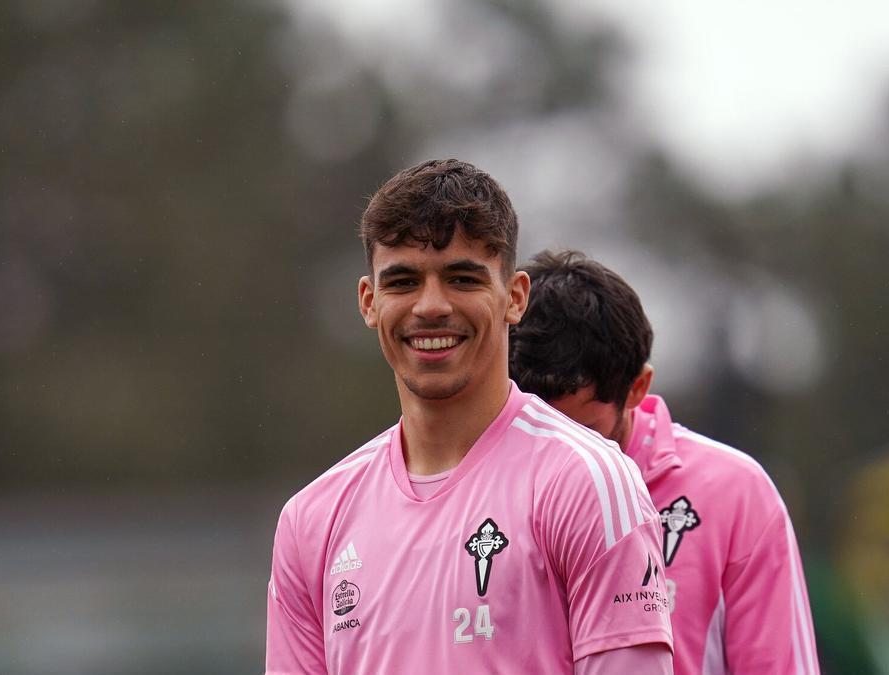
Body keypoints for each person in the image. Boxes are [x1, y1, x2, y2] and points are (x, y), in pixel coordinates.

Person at [265, 160, 674, 674]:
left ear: (515, 297)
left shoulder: (589, 482)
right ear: (369, 303)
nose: (431, 306)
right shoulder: (312, 519)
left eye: (462, 278)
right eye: (403, 282)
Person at [509, 249, 821, 675]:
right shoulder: (471, 484)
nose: (562, 455)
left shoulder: (735, 493)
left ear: (637, 387)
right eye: (536, 428)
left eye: (582, 429)